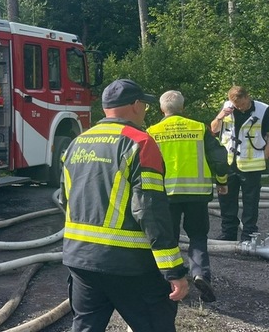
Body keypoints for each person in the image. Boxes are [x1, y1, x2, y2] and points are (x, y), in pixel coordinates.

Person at [60, 79, 188, 332]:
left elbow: (66, 201)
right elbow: (150, 210)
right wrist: (173, 269)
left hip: (80, 258)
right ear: (135, 105)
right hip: (129, 265)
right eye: (144, 106)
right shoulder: (140, 142)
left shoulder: (77, 142)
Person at [147, 90, 228, 303]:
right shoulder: (199, 128)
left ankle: (171, 280)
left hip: (166, 195)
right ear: (182, 108)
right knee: (198, 236)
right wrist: (221, 182)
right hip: (197, 194)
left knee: (169, 237)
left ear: (161, 109)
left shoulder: (152, 132)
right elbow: (219, 158)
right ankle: (200, 273)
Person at [210, 85, 269, 242]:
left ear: (247, 97)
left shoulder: (263, 110)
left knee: (251, 202)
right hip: (229, 163)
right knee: (226, 199)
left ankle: (249, 233)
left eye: (242, 104)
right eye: (236, 106)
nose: (240, 108)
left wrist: (265, 156)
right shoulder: (227, 109)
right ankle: (228, 233)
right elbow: (213, 129)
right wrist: (221, 116)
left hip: (252, 164)